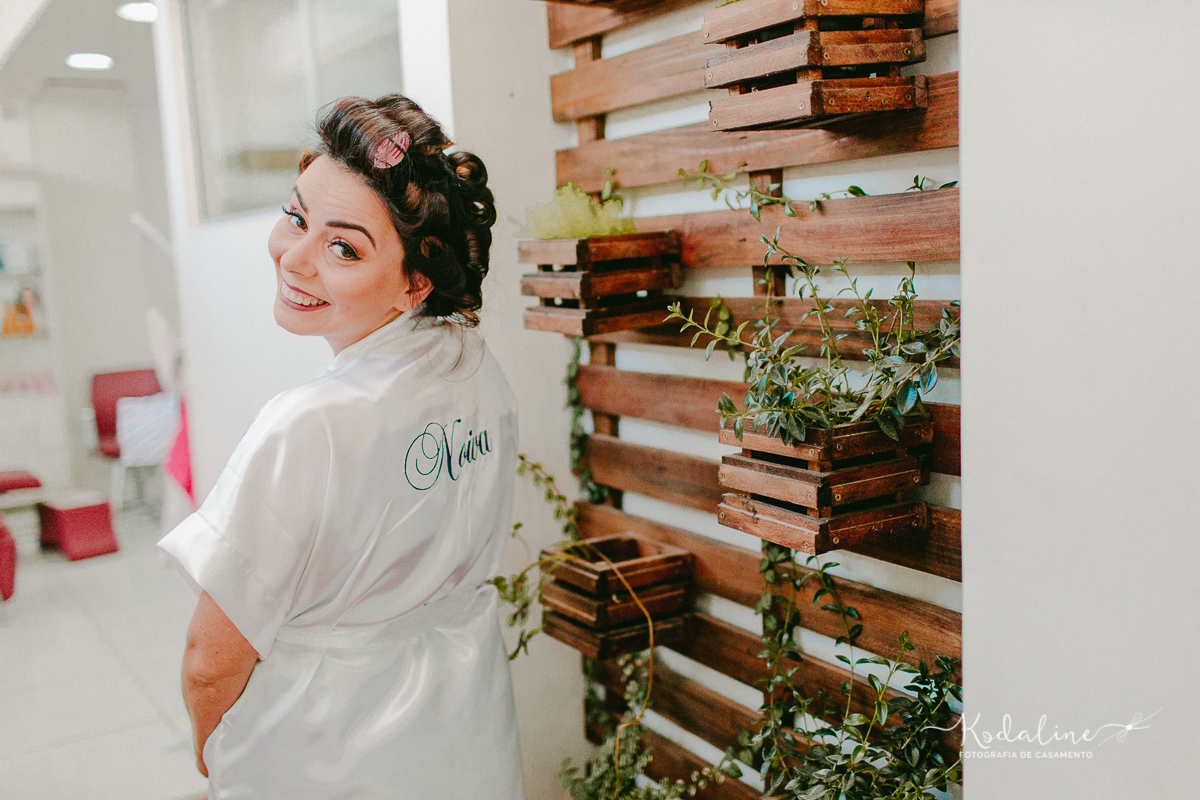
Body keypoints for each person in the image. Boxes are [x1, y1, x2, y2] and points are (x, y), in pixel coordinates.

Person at [158, 95, 523, 799]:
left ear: (415, 282)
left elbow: (211, 662)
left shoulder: (309, 426)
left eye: (342, 247)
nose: (293, 259)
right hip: (465, 728)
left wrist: (216, 755)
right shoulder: (475, 367)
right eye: (297, 217)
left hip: (324, 750)